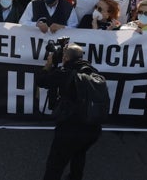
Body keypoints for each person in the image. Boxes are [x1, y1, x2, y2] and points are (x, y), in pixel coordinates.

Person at [35, 43, 102, 180]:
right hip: (93, 128)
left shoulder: (64, 73)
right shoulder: (94, 71)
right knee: (79, 155)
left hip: (70, 129)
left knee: (55, 165)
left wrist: (48, 64)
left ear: (65, 58)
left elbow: (41, 81)